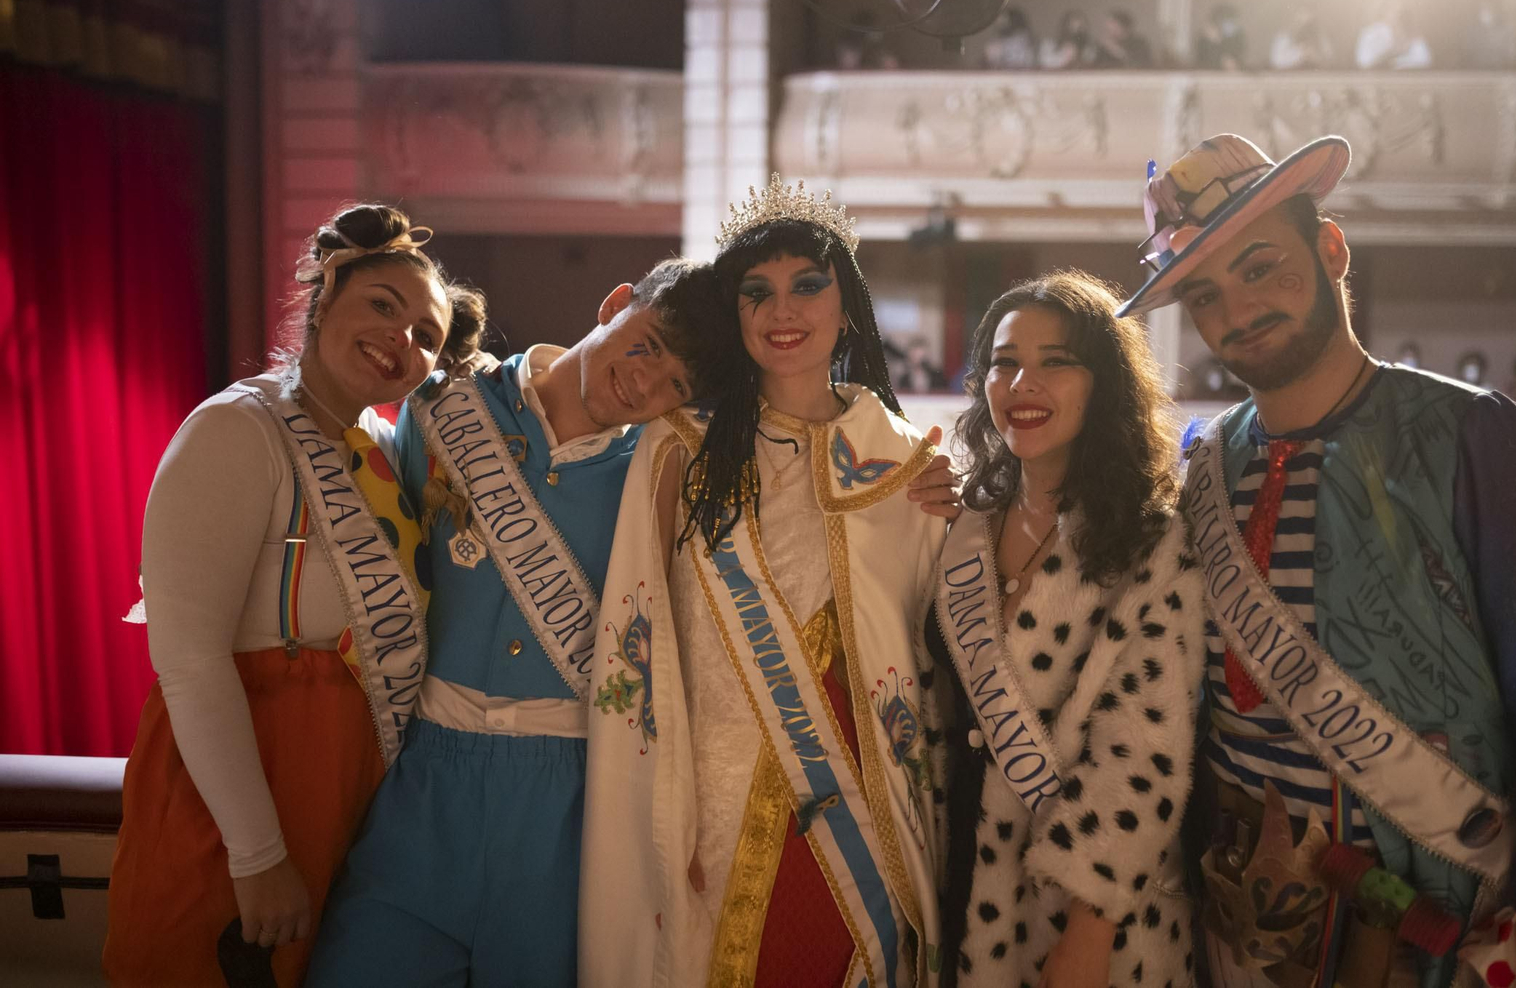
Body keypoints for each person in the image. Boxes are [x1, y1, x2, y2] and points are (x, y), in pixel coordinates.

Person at [309, 247, 959, 986]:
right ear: (616, 302)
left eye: (674, 382)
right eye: (644, 342)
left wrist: (926, 485)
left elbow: (806, 485)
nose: (643, 378)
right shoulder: (447, 408)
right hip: (426, 781)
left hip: (567, 796)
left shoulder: (668, 470)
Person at [1120, 132, 1516, 987]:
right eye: (1206, 294)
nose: (1237, 309)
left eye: (1262, 266)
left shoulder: (1480, 439)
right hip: (1245, 934)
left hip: (1444, 933)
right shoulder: (1202, 464)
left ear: (1332, 247)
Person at [580, 175, 958, 986]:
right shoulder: (678, 445)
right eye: (758, 292)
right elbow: (637, 638)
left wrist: (972, 513)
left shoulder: (909, 469)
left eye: (807, 285)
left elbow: (945, 659)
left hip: (872, 827)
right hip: (706, 826)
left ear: (846, 304)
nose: (782, 311)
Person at [103, 203, 488, 986]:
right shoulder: (236, 430)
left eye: (426, 336)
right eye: (384, 305)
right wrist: (257, 852)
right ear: (322, 298)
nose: (401, 340)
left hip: (345, 788)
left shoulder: (383, 449)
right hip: (241, 789)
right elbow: (189, 660)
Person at [934, 271, 1206, 988]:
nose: (1024, 382)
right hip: (960, 876)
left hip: (1089, 914)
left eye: (1057, 361)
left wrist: (1089, 932)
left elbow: (1145, 757)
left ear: (1104, 384)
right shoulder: (966, 524)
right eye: (1004, 361)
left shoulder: (1153, 540)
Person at [1355, 0, 1432, 69]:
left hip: (1408, 78)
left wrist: (1398, 62)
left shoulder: (1412, 33)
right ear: (1385, 12)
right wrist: (1392, 53)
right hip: (1377, 79)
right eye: (1394, 11)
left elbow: (1425, 60)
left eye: (1401, 13)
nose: (1398, 16)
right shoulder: (1370, 33)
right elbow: (1364, 62)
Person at [1268, 6, 1334, 71]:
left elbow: (1330, 62)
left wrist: (1316, 58)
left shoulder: (1321, 38)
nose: (1304, 26)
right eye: (1300, 21)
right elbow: (1277, 63)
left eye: (1309, 23)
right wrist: (1301, 53)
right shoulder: (1283, 37)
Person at [1197, 3, 1247, 71]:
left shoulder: (1238, 37)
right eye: (1226, 21)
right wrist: (1214, 41)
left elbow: (1236, 60)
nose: (1231, 25)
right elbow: (1204, 61)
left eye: (1233, 21)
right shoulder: (1204, 41)